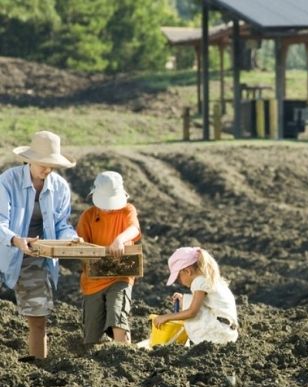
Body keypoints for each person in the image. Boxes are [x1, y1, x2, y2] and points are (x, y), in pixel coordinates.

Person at [0, 131, 78, 360]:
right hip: (5, 246)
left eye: (52, 166)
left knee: (38, 317)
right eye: (43, 164)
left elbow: (61, 224)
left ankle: (38, 369)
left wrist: (70, 239)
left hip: (33, 254)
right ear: (30, 160)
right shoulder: (7, 181)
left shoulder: (60, 187)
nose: (48, 170)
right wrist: (15, 239)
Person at [76, 171, 141, 345]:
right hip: (93, 281)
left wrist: (120, 240)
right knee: (91, 338)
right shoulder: (88, 216)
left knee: (118, 319)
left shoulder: (127, 210)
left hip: (121, 275)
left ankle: (125, 360)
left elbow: (134, 229)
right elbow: (80, 246)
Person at [154, 247, 238, 344]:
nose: (180, 282)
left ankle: (199, 342)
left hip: (219, 334)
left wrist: (167, 317)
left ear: (187, 271)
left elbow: (192, 312)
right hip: (228, 332)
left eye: (178, 278)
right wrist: (183, 300)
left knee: (190, 311)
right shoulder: (209, 279)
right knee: (189, 302)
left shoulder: (198, 282)